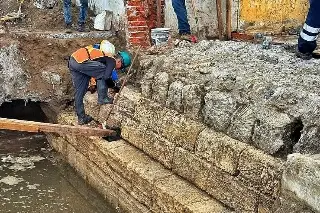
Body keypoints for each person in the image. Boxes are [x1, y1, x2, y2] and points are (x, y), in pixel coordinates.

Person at [68, 40, 132, 125]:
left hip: (73, 60)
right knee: (104, 71)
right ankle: (103, 98)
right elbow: (106, 76)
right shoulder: (111, 60)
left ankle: (82, 118)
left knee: (80, 91)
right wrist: (114, 86)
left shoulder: (102, 56)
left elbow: (97, 73)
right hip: (82, 62)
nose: (117, 69)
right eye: (120, 67)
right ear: (119, 61)